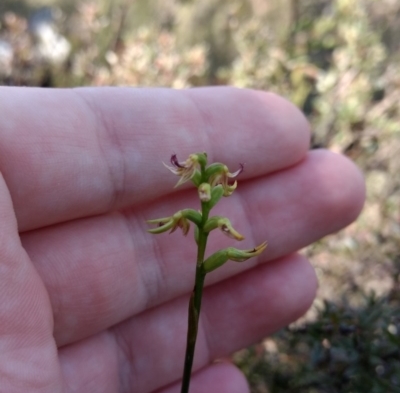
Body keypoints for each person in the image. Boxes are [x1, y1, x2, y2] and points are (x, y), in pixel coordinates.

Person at [0, 86, 365, 393]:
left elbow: (216, 207)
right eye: (201, 187)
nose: (205, 194)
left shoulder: (213, 206)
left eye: (209, 187)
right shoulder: (198, 204)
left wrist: (226, 236)